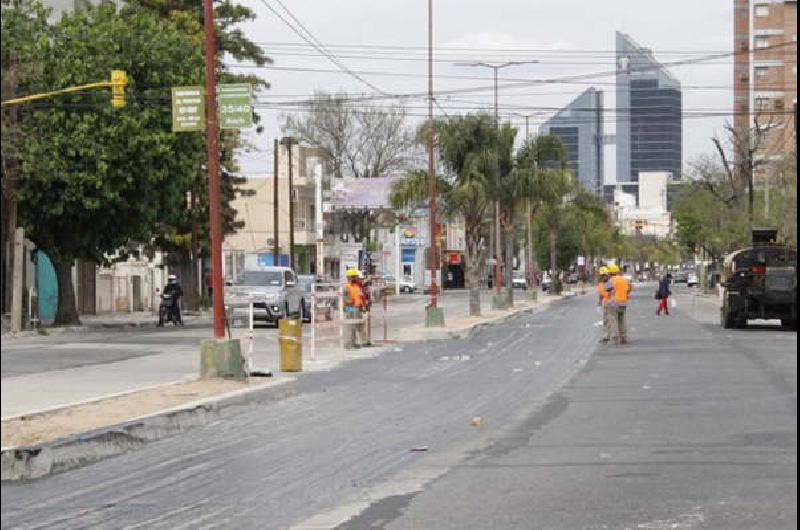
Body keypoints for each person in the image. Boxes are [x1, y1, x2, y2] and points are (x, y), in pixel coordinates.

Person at [606, 264, 631, 344]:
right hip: (623, 302)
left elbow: (608, 291)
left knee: (613, 319)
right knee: (622, 319)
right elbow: (629, 289)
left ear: (610, 273)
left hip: (614, 302)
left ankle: (615, 337)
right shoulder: (624, 280)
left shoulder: (610, 280)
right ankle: (623, 337)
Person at [343, 268, 365, 348]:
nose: (356, 278)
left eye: (356, 277)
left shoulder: (356, 286)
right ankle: (349, 343)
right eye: (354, 277)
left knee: (358, 326)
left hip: (357, 308)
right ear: (349, 277)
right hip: (350, 309)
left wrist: (362, 306)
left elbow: (359, 297)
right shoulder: (346, 287)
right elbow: (344, 299)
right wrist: (349, 303)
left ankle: (355, 342)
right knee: (351, 326)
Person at [597, 266, 612, 343]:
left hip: (609, 303)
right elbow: (601, 295)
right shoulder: (602, 283)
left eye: (603, 275)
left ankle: (607, 336)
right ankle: (607, 336)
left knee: (607, 320)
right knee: (606, 320)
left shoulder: (607, 282)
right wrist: (599, 303)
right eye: (602, 275)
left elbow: (610, 293)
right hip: (606, 303)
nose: (603, 277)